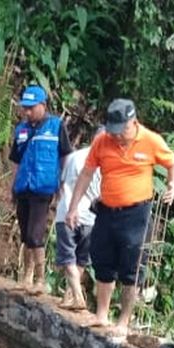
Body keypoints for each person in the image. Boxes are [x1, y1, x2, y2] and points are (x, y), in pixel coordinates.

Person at [66, 99, 174, 335]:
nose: (117, 137)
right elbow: (87, 174)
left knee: (132, 266)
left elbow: (173, 163)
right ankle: (102, 315)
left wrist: (173, 184)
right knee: (102, 261)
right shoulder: (102, 141)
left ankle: (123, 321)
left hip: (136, 213)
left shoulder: (150, 140)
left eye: (121, 131)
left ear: (133, 122)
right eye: (113, 131)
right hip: (107, 210)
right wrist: (73, 207)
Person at [9, 85, 73, 294]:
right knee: (25, 234)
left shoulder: (56, 126)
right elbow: (16, 160)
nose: (27, 112)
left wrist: (63, 183)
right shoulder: (21, 129)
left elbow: (65, 156)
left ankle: (40, 279)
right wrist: (13, 184)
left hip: (43, 187)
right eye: (24, 108)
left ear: (43, 105)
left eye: (31, 108)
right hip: (23, 187)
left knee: (36, 235)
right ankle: (26, 276)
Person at [54, 132, 102, 310]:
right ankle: (70, 295)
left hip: (67, 211)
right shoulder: (106, 162)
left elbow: (61, 182)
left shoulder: (74, 157)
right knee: (81, 259)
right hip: (91, 217)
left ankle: (76, 296)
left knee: (68, 257)